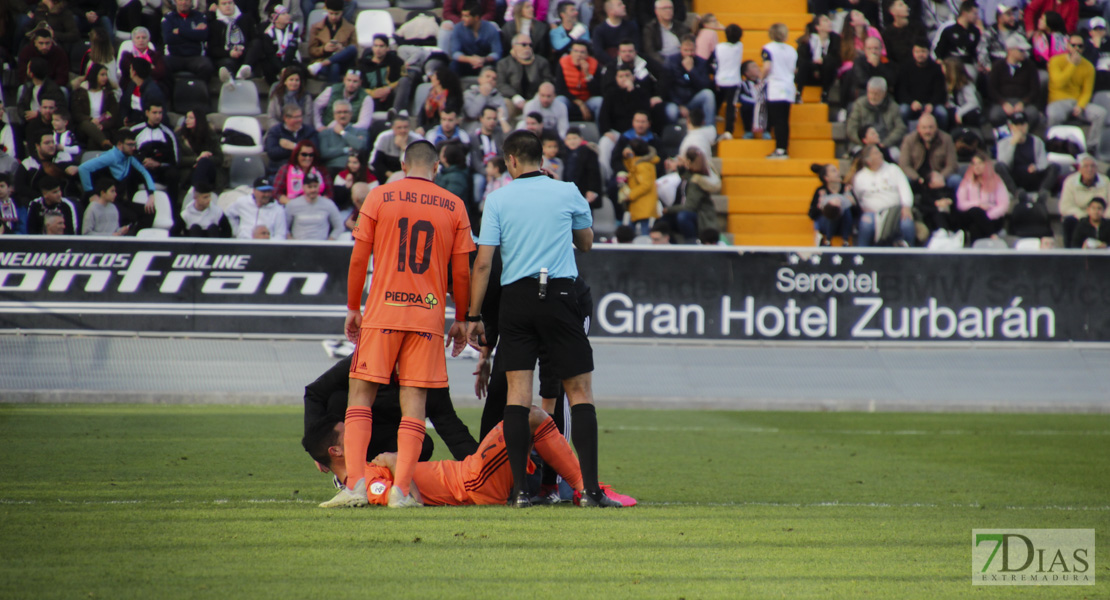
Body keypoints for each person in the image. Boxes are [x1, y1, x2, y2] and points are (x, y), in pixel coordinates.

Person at [466, 131, 620, 508]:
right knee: (579, 392)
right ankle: (590, 491)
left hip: (516, 299)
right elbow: (585, 243)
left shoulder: (498, 198)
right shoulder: (567, 191)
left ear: (512, 161)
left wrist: (473, 315)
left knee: (518, 396)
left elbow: (484, 262)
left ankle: (520, 492)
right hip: (560, 293)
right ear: (542, 159)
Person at [321, 140, 475, 509]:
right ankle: (402, 491)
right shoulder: (454, 205)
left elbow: (359, 258)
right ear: (436, 167)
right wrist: (463, 319)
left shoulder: (378, 196)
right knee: (415, 402)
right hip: (427, 315)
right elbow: (462, 273)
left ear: (404, 164)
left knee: (360, 395)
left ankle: (356, 486)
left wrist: (353, 307)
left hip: (384, 311)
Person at [306, 405, 604, 507]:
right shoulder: (367, 481)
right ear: (336, 451)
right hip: (472, 482)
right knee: (529, 417)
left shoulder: (368, 471)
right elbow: (408, 500)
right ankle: (584, 488)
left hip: (471, 473)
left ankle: (570, 486)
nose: (361, 432)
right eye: (351, 433)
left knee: (526, 420)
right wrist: (395, 462)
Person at [302, 354, 479, 478]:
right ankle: (347, 475)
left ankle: (385, 476)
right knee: (338, 398)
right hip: (352, 433)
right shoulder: (365, 357)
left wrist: (480, 467)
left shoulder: (432, 380)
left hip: (390, 436)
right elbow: (314, 393)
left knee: (423, 444)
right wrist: (318, 447)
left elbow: (451, 429)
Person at [1047, 33, 1107, 152]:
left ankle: (1091, 147)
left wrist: (1081, 105)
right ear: (1067, 45)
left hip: (1077, 102)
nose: (1076, 49)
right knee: (1054, 114)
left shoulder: (1088, 66)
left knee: (1101, 113)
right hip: (1058, 101)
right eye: (1073, 45)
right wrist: (1072, 65)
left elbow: (1087, 91)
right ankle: (1051, 144)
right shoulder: (1055, 61)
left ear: (1083, 48)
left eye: (1080, 46)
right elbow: (1058, 83)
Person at [852, 143, 916, 246]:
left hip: (896, 211)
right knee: (866, 224)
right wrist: (863, 209)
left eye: (879, 152)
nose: (880, 154)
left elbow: (905, 189)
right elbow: (857, 197)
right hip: (872, 213)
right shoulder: (860, 177)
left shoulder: (893, 169)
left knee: (906, 224)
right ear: (868, 160)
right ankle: (862, 255)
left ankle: (910, 256)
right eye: (876, 153)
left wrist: (906, 206)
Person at [77, 130, 157, 202]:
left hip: (116, 198)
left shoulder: (130, 157)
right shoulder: (110, 156)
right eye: (130, 145)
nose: (133, 148)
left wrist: (151, 194)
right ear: (119, 144)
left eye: (134, 145)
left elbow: (144, 172)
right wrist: (91, 194)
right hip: (102, 200)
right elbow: (83, 168)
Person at [994, 112, 1060, 198]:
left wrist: (1036, 168)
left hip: (1032, 176)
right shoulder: (1003, 143)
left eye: (1022, 124)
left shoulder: (1037, 141)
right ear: (1011, 126)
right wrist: (1013, 144)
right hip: (1015, 177)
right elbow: (1004, 164)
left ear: (1027, 125)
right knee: (998, 166)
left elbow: (1043, 163)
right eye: (1016, 124)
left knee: (1054, 167)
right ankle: (1016, 194)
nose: (1020, 127)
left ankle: (1042, 193)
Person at [987, 36, 1043, 128]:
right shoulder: (998, 66)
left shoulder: (1030, 66)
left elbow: (1035, 90)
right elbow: (992, 89)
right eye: (1021, 51)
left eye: (1024, 51)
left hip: (1023, 101)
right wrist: (1003, 103)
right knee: (995, 115)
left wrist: (1023, 103)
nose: (1024, 53)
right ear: (1010, 50)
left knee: (1032, 114)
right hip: (1003, 101)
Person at [955, 152, 1009, 243]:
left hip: (991, 216)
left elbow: (1004, 204)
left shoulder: (996, 181)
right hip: (971, 214)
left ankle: (976, 251)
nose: (977, 166)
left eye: (980, 163)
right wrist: (979, 205)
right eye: (974, 164)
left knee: (975, 227)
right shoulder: (967, 182)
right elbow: (961, 204)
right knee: (975, 211)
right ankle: (992, 236)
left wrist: (988, 215)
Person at [497, 34, 555, 120]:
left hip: (536, 99)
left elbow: (547, 81)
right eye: (524, 45)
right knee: (505, 104)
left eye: (530, 45)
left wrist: (538, 96)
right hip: (513, 100)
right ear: (514, 46)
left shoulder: (542, 62)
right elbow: (501, 84)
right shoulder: (504, 63)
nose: (527, 47)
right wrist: (515, 96)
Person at [762, 24, 798, 160]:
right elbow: (794, 70)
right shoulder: (792, 50)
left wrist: (761, 77)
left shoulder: (768, 48)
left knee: (778, 121)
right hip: (788, 87)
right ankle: (783, 148)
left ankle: (780, 149)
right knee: (784, 120)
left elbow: (767, 67)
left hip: (776, 87)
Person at [896, 39, 949, 130]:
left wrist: (932, 104)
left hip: (931, 104)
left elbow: (940, 91)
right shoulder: (905, 67)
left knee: (942, 113)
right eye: (917, 51)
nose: (920, 54)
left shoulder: (936, 69)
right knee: (902, 111)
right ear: (913, 52)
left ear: (928, 52)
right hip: (911, 104)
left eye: (923, 51)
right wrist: (911, 102)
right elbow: (901, 90)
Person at [1058, 153, 1110, 245]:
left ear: (1096, 169)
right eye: (1086, 166)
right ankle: (1070, 254)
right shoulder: (1070, 182)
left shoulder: (1106, 181)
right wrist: (1083, 216)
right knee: (1069, 221)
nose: (1089, 169)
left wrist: (1102, 216)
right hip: (1079, 216)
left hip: (1101, 216)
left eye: (1092, 166)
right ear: (1080, 169)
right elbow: (1065, 206)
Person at [663, 35, 714, 124]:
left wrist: (691, 70)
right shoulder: (671, 61)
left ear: (696, 49)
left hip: (692, 100)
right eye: (686, 50)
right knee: (671, 112)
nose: (689, 54)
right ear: (680, 48)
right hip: (675, 101)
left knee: (708, 94)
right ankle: (675, 133)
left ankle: (710, 129)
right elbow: (667, 86)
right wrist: (679, 105)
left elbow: (705, 85)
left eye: (692, 50)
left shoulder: (701, 62)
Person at [209, 0, 263, 83]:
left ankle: (245, 68)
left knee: (257, 43)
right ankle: (229, 79)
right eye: (224, 4)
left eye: (230, 3)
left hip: (245, 55)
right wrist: (229, 53)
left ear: (234, 4)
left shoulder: (246, 19)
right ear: (218, 7)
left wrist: (242, 50)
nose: (228, 6)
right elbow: (213, 49)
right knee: (226, 64)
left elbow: (254, 39)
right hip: (227, 56)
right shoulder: (214, 24)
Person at [161, 0, 215, 81]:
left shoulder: (199, 16)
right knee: (162, 66)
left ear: (191, 2)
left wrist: (180, 31)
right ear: (175, 2)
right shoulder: (168, 18)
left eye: (187, 0)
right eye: (180, 0)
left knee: (206, 66)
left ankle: (198, 90)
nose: (184, 2)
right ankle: (171, 91)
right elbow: (168, 38)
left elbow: (202, 35)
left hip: (195, 57)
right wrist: (193, 33)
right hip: (174, 56)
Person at [307, 0, 357, 83]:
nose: (334, 17)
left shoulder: (351, 28)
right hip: (324, 61)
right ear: (327, 11)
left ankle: (323, 65)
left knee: (351, 48)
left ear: (342, 12)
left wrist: (342, 50)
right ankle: (334, 92)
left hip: (343, 63)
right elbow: (311, 50)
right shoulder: (316, 27)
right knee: (334, 66)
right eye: (331, 13)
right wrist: (324, 49)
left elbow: (355, 51)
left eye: (337, 14)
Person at [73, 63, 120, 150]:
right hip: (84, 127)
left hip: (103, 128)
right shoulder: (80, 93)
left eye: (106, 75)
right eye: (102, 75)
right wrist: (90, 119)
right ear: (94, 75)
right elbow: (76, 113)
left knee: (93, 139)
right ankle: (104, 142)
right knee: (86, 124)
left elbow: (113, 115)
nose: (105, 77)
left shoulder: (109, 94)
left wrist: (102, 125)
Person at [450, 1, 503, 76]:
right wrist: (470, 59)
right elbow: (455, 53)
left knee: (498, 64)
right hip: (466, 63)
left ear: (477, 18)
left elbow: (497, 53)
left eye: (466, 16)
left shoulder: (490, 29)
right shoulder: (458, 28)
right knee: (454, 65)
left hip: (485, 63)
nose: (462, 19)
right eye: (462, 15)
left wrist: (484, 59)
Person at [809, 163, 857, 246]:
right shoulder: (821, 191)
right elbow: (812, 214)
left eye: (837, 170)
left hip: (844, 224)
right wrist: (821, 206)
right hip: (826, 224)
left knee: (843, 208)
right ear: (826, 178)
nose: (837, 173)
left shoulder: (846, 189)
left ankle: (845, 241)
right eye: (833, 171)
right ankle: (828, 239)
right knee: (833, 208)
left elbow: (857, 213)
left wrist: (853, 203)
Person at [285, 173, 344, 240]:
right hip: (298, 246)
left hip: (321, 247)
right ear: (303, 187)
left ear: (319, 186)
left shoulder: (328, 204)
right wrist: (291, 242)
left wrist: (330, 241)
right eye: (310, 187)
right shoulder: (292, 205)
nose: (313, 190)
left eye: (315, 186)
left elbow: (339, 226)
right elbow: (284, 227)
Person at [795, 16, 840, 103]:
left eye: (829, 20)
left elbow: (836, 57)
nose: (829, 22)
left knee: (830, 62)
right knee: (804, 64)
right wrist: (815, 66)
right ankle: (798, 93)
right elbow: (801, 59)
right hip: (809, 73)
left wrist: (824, 60)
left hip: (825, 73)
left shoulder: (835, 39)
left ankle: (825, 94)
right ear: (818, 27)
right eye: (825, 21)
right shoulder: (807, 40)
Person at [176, 110, 223, 191]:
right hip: (187, 171)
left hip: (209, 171)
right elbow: (178, 159)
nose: (187, 120)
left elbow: (219, 158)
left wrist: (204, 160)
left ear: (199, 120)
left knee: (203, 163)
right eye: (186, 117)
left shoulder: (210, 135)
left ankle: (197, 192)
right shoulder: (179, 135)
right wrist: (197, 159)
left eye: (191, 118)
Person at [469, 106, 506, 207]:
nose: (492, 121)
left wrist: (502, 120)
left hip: (500, 170)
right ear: (481, 119)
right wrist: (487, 172)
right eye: (489, 118)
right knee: (478, 182)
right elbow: (475, 161)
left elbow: (510, 138)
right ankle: (478, 211)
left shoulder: (499, 133)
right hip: (482, 171)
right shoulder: (474, 137)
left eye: (494, 118)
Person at [619, 138, 658, 235]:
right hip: (639, 204)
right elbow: (632, 169)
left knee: (643, 230)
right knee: (631, 230)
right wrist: (627, 158)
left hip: (643, 204)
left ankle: (644, 250)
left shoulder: (643, 166)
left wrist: (630, 195)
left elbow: (646, 185)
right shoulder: (638, 163)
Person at [556, 40, 602, 122]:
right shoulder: (563, 63)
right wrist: (580, 104)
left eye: (582, 52)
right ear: (571, 53)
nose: (578, 55)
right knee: (560, 100)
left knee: (599, 101)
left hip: (588, 100)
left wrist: (587, 75)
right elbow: (560, 90)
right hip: (570, 100)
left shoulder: (594, 64)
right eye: (575, 51)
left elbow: (598, 91)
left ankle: (601, 133)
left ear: (587, 55)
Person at [264, 104, 318, 174]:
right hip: (280, 170)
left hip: (305, 171)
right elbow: (273, 153)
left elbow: (314, 151)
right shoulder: (275, 131)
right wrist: (300, 150)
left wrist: (293, 146)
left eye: (300, 116)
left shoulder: (309, 131)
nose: (299, 120)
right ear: (286, 118)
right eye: (296, 117)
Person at [317, 100, 369, 170]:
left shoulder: (360, 131)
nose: (342, 115)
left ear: (351, 114)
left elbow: (360, 146)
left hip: (354, 170)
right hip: (333, 168)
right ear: (334, 115)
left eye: (345, 112)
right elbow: (324, 153)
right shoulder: (325, 133)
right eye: (339, 112)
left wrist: (342, 133)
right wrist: (346, 150)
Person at [275, 140, 330, 204]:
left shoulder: (321, 170)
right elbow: (277, 193)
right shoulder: (285, 169)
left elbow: (329, 193)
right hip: (292, 206)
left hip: (317, 207)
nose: (308, 158)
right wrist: (291, 205)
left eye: (311, 155)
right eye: (304, 154)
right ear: (297, 154)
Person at [359, 34, 404, 111]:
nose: (378, 49)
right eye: (375, 46)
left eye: (381, 46)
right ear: (372, 47)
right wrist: (373, 93)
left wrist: (388, 89)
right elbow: (360, 86)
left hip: (390, 93)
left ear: (387, 48)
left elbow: (403, 78)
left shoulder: (394, 61)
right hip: (371, 95)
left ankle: (395, 112)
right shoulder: (364, 64)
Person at [259, 5, 303, 84]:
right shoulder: (268, 32)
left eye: (287, 13)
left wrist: (285, 68)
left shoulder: (293, 27)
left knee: (300, 70)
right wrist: (281, 68)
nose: (287, 16)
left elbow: (292, 48)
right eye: (283, 14)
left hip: (291, 59)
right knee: (267, 68)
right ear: (275, 18)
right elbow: (270, 54)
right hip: (276, 62)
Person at [716, 24, 745, 137]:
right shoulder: (739, 46)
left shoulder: (719, 47)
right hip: (733, 81)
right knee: (730, 107)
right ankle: (728, 131)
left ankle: (715, 113)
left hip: (720, 79)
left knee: (718, 99)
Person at [369, 113, 416, 182]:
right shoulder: (384, 137)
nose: (403, 130)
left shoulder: (417, 140)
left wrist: (404, 147)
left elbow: (417, 164)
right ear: (392, 128)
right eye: (399, 127)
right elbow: (376, 162)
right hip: (385, 176)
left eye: (405, 127)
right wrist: (393, 177)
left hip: (409, 178)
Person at [561, 127, 601, 208]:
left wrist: (591, 189)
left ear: (581, 139)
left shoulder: (589, 152)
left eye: (575, 138)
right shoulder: (562, 154)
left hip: (584, 192)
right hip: (567, 192)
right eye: (569, 139)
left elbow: (593, 173)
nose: (572, 141)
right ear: (565, 141)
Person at [268, 67, 317, 133]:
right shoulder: (276, 95)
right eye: (291, 80)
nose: (294, 83)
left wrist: (297, 128)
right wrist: (283, 129)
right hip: (279, 130)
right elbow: (271, 117)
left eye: (297, 80)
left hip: (300, 131)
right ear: (285, 81)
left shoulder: (306, 96)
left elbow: (308, 117)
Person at [642, 0, 689, 66]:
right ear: (656, 11)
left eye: (670, 8)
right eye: (664, 8)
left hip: (680, 60)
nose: (668, 11)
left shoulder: (682, 27)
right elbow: (650, 51)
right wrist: (665, 63)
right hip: (662, 62)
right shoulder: (650, 29)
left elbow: (688, 45)